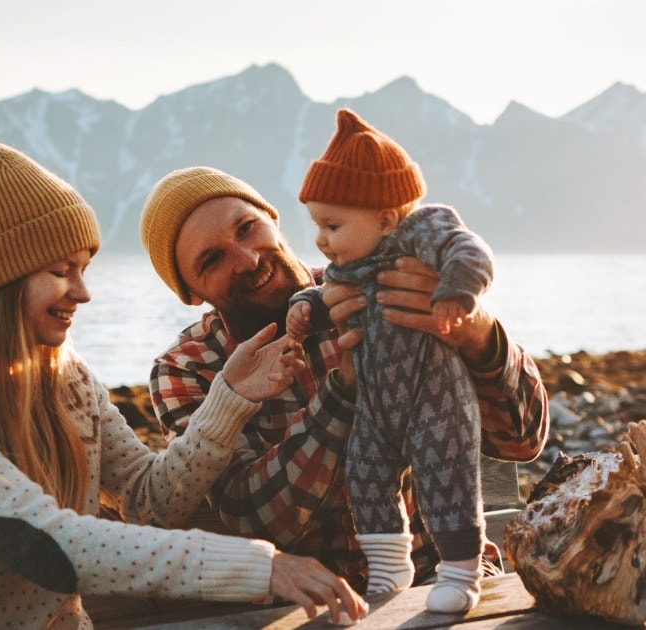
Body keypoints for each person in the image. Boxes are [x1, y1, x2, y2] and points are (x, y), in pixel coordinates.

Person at [0, 141, 368, 628]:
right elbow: (39, 540)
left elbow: (150, 501)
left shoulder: (67, 379)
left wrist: (229, 400)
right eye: (61, 271)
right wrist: (264, 565)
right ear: (0, 278)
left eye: (83, 269)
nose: (83, 293)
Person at [138, 133, 549, 603]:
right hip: (315, 607)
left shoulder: (391, 280)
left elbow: (522, 440)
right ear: (190, 292)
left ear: (274, 219)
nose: (248, 259)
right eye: (213, 259)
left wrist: (476, 333)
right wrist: (344, 392)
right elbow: (256, 518)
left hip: (448, 579)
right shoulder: (189, 369)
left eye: (247, 228)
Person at [284, 108, 495, 613]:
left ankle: (462, 573)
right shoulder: (349, 268)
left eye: (332, 224)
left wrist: (457, 294)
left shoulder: (421, 233)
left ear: (384, 217)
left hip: (433, 397)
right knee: (366, 475)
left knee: (448, 475)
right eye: (316, 225)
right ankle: (388, 566)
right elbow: (323, 293)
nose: (320, 239)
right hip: (376, 409)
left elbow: (470, 251)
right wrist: (302, 308)